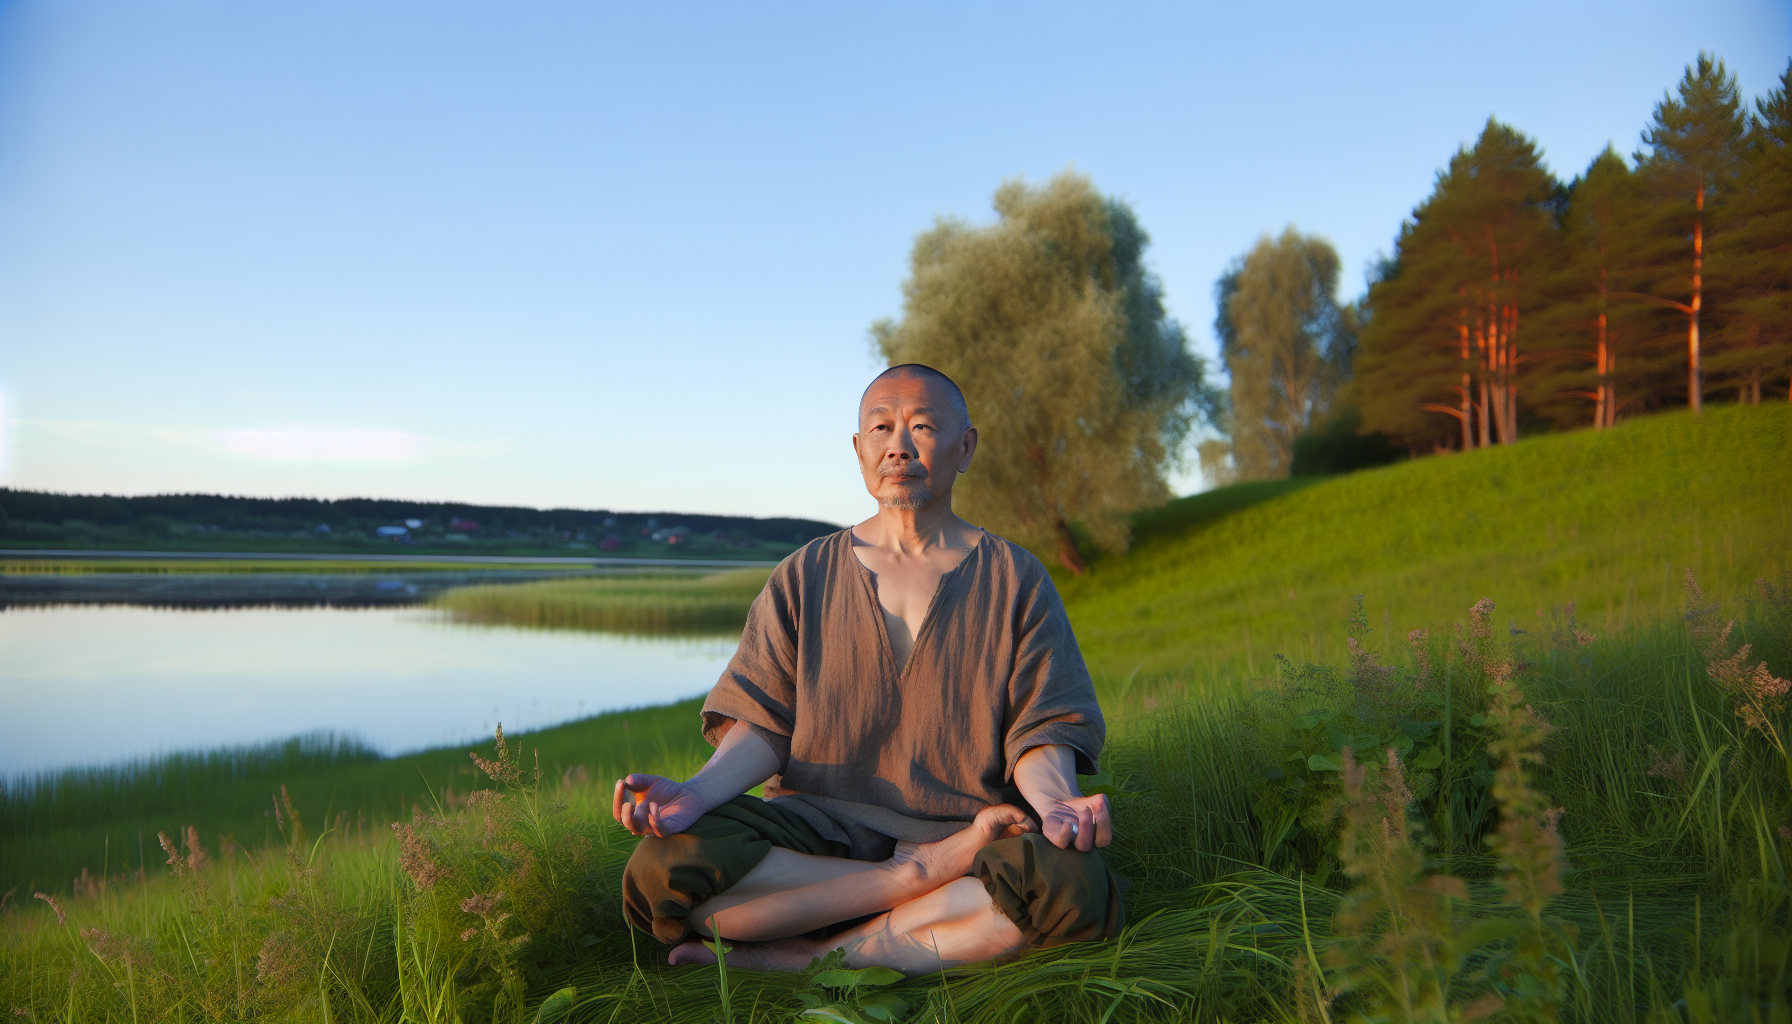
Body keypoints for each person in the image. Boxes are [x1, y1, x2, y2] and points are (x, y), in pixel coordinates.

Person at [614, 364, 1121, 974]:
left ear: (966, 446)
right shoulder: (804, 576)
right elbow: (763, 721)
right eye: (881, 427)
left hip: (966, 831)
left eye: (923, 426)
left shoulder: (1015, 578)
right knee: (664, 867)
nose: (898, 445)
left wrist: (1058, 802)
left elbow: (1042, 729)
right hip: (817, 835)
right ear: (859, 450)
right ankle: (910, 890)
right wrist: (694, 794)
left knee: (1067, 882)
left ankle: (809, 955)